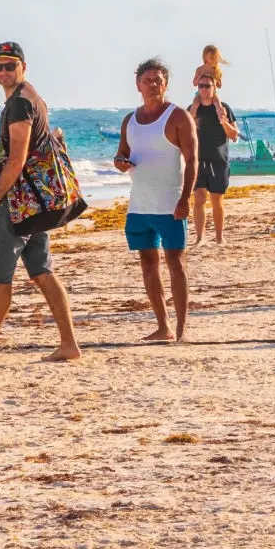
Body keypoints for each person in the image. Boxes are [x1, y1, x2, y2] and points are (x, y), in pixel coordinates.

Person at [0, 42, 82, 365]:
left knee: (0, 277)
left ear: (23, 66)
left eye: (10, 65)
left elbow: (17, 160)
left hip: (16, 204)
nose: (4, 72)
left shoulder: (21, 104)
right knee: (42, 271)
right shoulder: (29, 97)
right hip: (31, 205)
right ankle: (68, 344)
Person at [116, 58, 198, 341]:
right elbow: (122, 153)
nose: (153, 85)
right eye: (147, 80)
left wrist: (185, 199)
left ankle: (182, 328)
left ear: (166, 84)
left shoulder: (177, 117)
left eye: (158, 80)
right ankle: (162, 326)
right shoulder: (130, 120)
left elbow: (192, 159)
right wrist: (120, 162)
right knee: (147, 264)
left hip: (170, 203)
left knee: (176, 263)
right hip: (139, 205)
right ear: (137, 85)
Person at [188, 72, 238, 245]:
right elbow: (185, 134)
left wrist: (224, 121)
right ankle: (200, 238)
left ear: (214, 87)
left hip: (219, 160)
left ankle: (219, 236)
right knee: (199, 198)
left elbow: (234, 136)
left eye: (207, 86)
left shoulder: (224, 108)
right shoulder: (192, 109)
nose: (203, 89)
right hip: (198, 160)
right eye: (200, 86)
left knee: (217, 199)